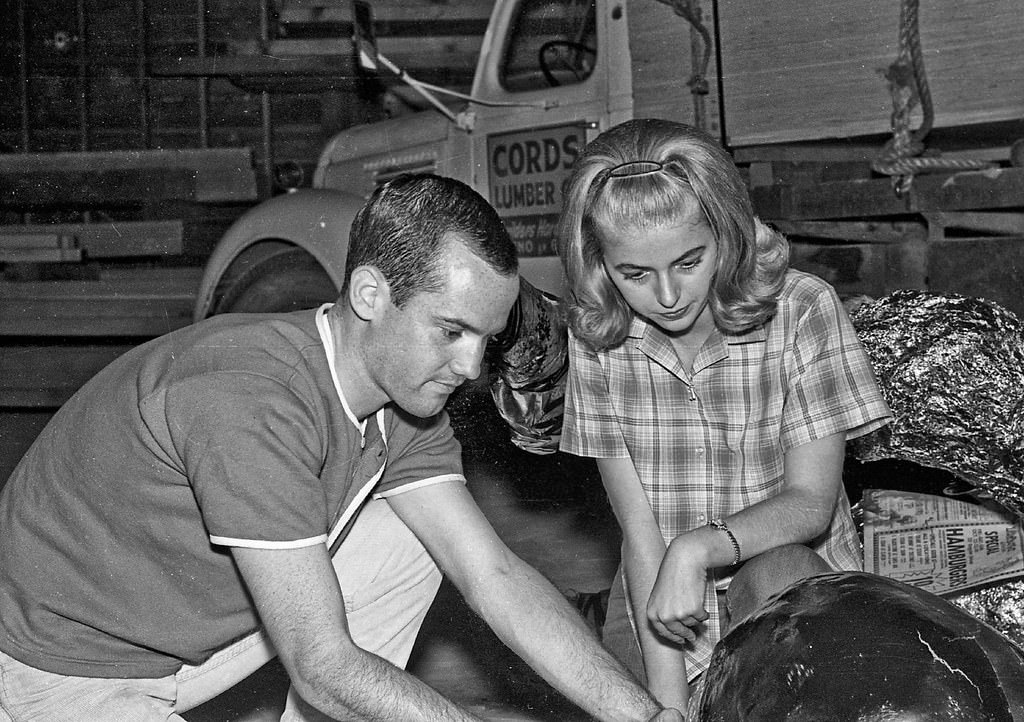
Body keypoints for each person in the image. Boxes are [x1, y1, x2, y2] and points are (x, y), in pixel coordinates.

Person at [0, 174, 682, 722]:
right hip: (65, 669)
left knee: (412, 540)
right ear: (369, 294)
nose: (473, 367)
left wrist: (644, 716)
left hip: (176, 639)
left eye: (486, 338)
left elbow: (494, 578)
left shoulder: (405, 401)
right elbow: (321, 666)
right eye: (451, 331)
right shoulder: (252, 398)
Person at [555, 119, 892, 711]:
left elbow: (811, 504)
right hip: (658, 595)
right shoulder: (597, 337)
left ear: (727, 235)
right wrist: (670, 704)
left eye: (689, 261)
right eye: (635, 274)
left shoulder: (801, 307)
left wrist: (694, 549)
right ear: (598, 264)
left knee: (780, 583)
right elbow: (640, 535)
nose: (667, 296)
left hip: (787, 578)